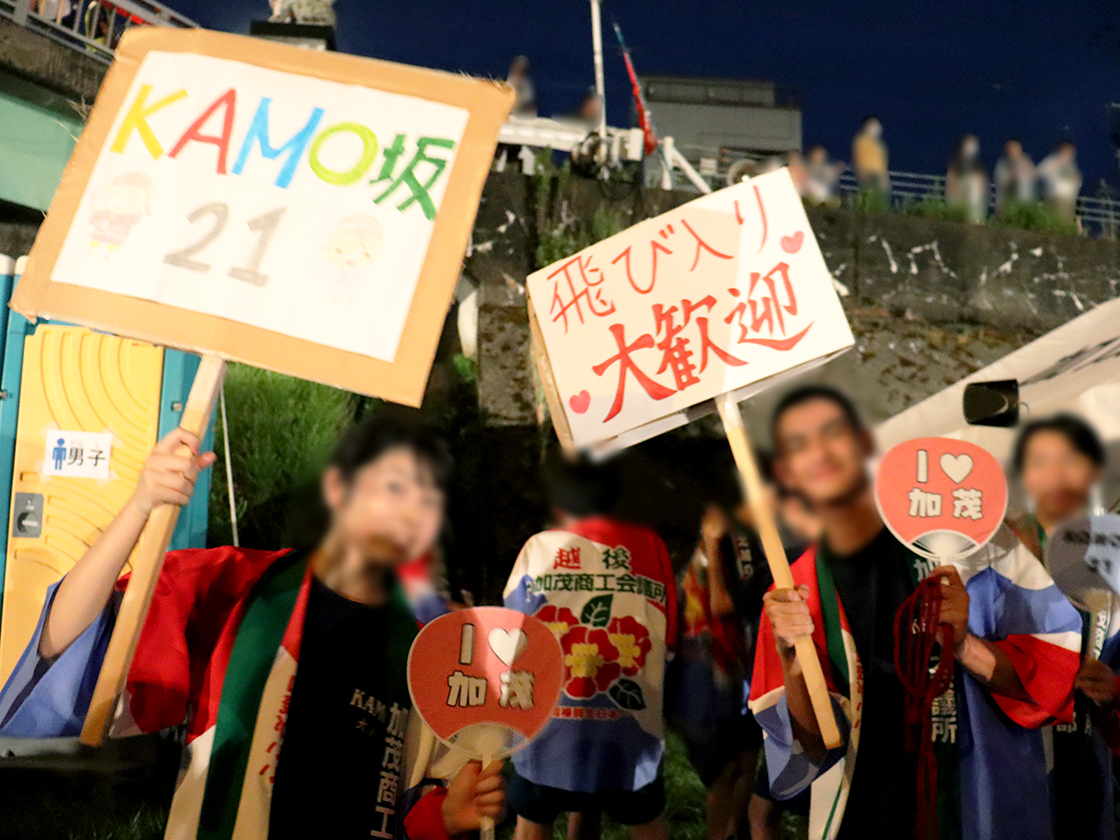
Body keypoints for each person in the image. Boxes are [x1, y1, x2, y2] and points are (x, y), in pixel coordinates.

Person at [0, 417, 503, 840]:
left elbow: (408, 809)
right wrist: (140, 506)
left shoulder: (426, 651)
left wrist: (445, 817)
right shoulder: (236, 586)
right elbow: (64, 645)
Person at [750, 385, 1082, 840]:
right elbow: (813, 743)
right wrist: (791, 660)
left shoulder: (981, 544)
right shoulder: (801, 584)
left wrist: (964, 645)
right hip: (872, 814)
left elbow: (1050, 676)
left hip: (984, 806)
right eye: (798, 446)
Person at [503, 457, 677, 840]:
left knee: (533, 823)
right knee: (646, 822)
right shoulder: (650, 546)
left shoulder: (538, 548)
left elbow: (511, 636)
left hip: (547, 731)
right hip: (631, 734)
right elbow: (668, 640)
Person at [1008, 415, 1120, 840]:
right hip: (1010, 759)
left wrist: (1112, 692)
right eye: (1040, 461)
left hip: (1086, 772)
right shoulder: (995, 553)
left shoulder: (1113, 555)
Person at [945, 134, 989, 223]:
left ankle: (974, 218)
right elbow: (951, 183)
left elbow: (981, 186)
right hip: (957, 201)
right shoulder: (955, 163)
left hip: (973, 204)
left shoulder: (978, 166)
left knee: (974, 183)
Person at [1037, 141, 1082, 226]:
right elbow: (1038, 172)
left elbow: (1077, 183)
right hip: (1055, 198)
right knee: (1056, 223)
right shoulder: (1052, 162)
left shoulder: (1071, 166)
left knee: (1066, 224)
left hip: (1069, 200)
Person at [993, 138, 1036, 219]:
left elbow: (1034, 174)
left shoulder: (1026, 160)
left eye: (1013, 147)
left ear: (1019, 148)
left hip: (1023, 201)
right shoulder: (1003, 162)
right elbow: (998, 178)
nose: (1011, 150)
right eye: (1008, 148)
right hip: (1006, 202)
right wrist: (1011, 177)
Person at [851, 116, 889, 207]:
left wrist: (884, 176)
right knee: (867, 200)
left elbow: (882, 162)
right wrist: (862, 171)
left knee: (880, 201)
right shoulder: (861, 141)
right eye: (873, 124)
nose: (876, 127)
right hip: (868, 174)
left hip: (879, 175)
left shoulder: (878, 144)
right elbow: (858, 157)